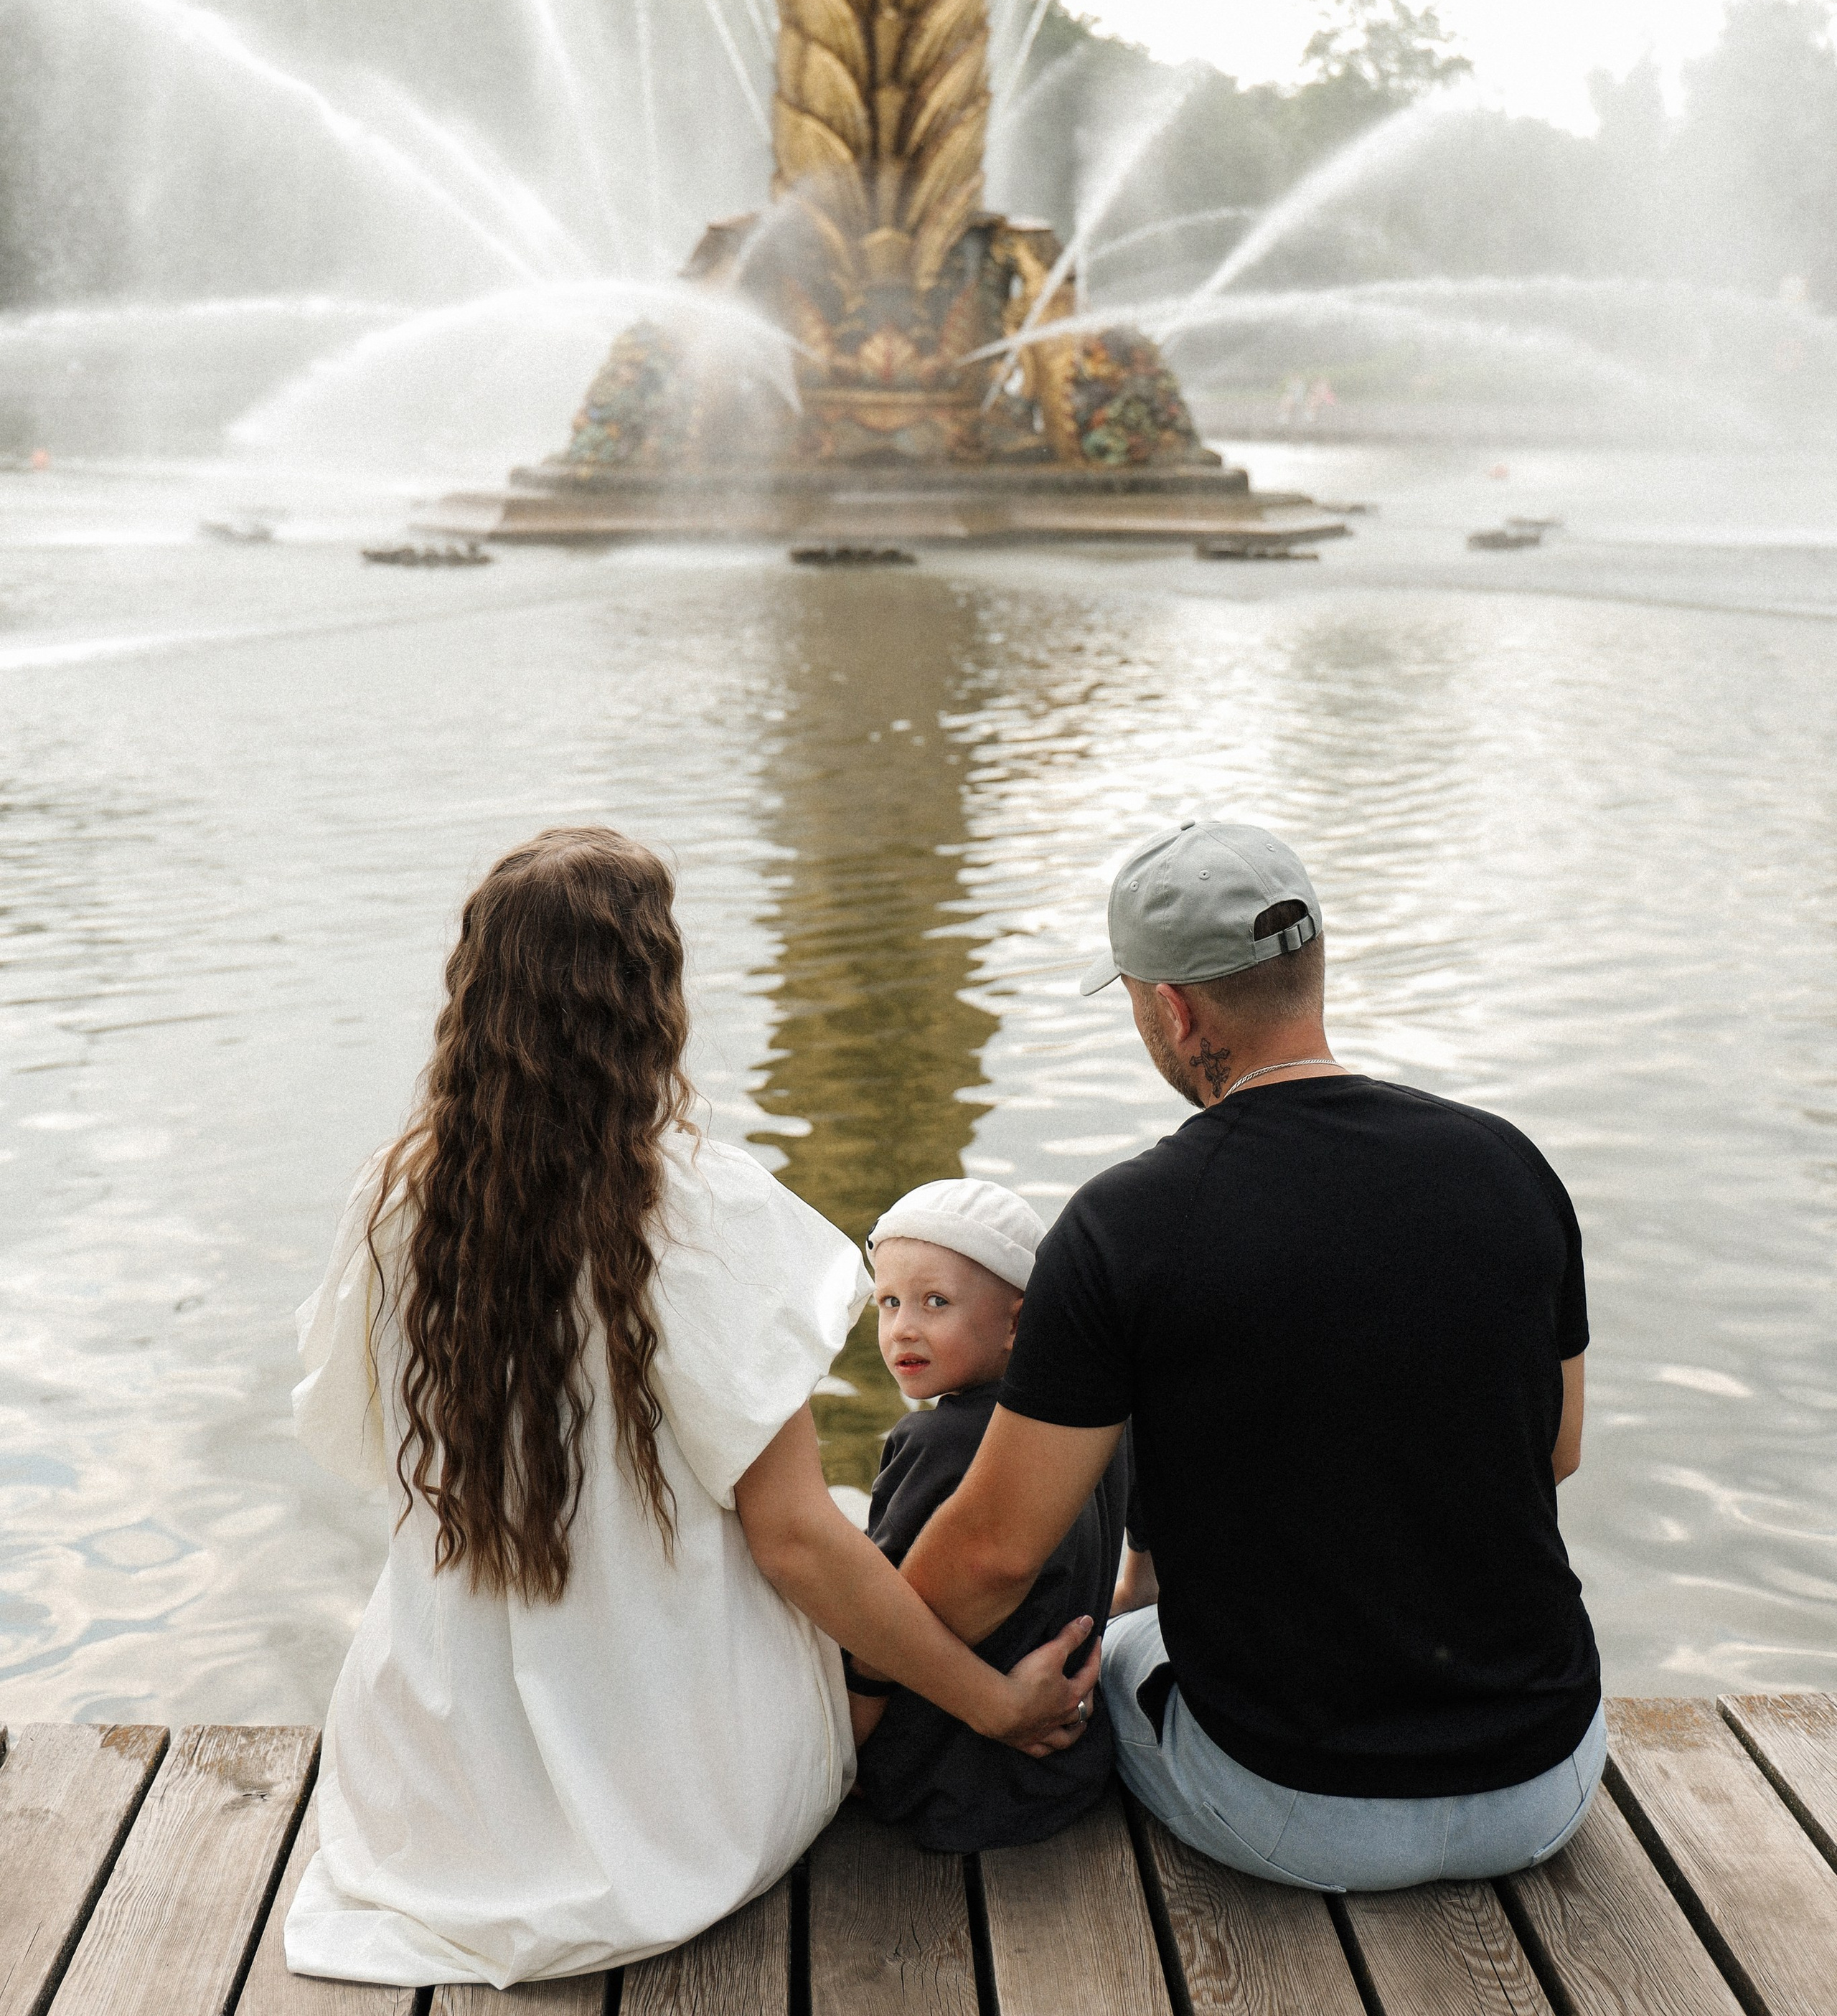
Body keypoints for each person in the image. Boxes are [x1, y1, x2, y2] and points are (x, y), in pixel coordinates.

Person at [283, 827, 1098, 1991]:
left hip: (438, 1784)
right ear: (649, 1000)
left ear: (476, 997)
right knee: (861, 1520)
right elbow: (795, 1542)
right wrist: (996, 1705)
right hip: (671, 1812)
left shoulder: (400, 1195)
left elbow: (360, 1446)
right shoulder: (693, 1210)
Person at [899, 819, 1603, 1893]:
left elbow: (993, 1557)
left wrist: (860, 1661)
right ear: (1309, 968)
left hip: (1293, 1811)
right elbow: (1554, 1454)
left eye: (1136, 1000)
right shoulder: (1509, 1166)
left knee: (1124, 1644)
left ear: (1176, 1012)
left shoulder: (1120, 1228)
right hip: (1546, 1782)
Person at [847, 1179, 1128, 1852]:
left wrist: (841, 1751)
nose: (902, 1328)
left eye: (934, 1302)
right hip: (1061, 1772)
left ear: (1017, 1322)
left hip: (948, 1785)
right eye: (888, 1303)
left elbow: (873, 1620)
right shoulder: (1101, 1420)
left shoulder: (937, 1443)